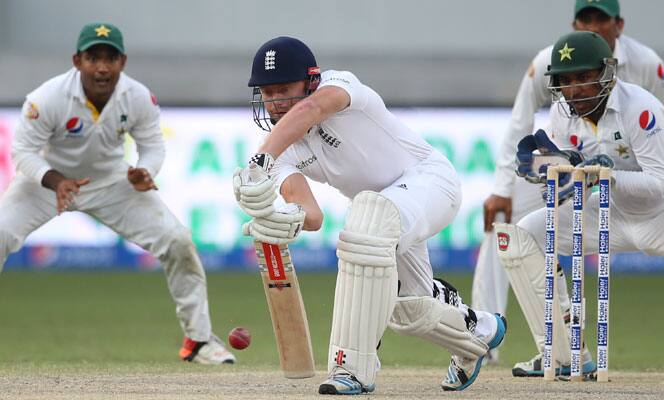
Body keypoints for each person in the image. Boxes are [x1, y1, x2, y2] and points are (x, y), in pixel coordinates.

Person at [233, 36, 507, 395]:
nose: (275, 102)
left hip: (431, 182)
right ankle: (477, 333)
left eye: (284, 89)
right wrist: (284, 218)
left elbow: (310, 112)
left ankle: (351, 368)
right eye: (267, 93)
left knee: (365, 224)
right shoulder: (281, 153)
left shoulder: (339, 86)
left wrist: (259, 160)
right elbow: (312, 215)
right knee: (408, 310)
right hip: (385, 209)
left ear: (311, 81)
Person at [2, 22, 234, 364]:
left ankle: (198, 341)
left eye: (110, 58)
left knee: (177, 240)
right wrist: (55, 180)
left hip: (111, 182)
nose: (102, 67)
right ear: (77, 60)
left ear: (122, 62)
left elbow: (153, 145)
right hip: (47, 183)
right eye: (93, 57)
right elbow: (22, 153)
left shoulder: (137, 96)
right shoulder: (46, 98)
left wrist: (146, 171)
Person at [472, 0, 664, 369]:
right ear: (575, 22)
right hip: (576, 154)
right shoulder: (547, 63)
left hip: (639, 161)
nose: (593, 26)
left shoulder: (647, 64)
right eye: (586, 18)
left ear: (619, 25)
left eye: (602, 19)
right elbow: (521, 125)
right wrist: (504, 188)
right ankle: (490, 337)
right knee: (509, 226)